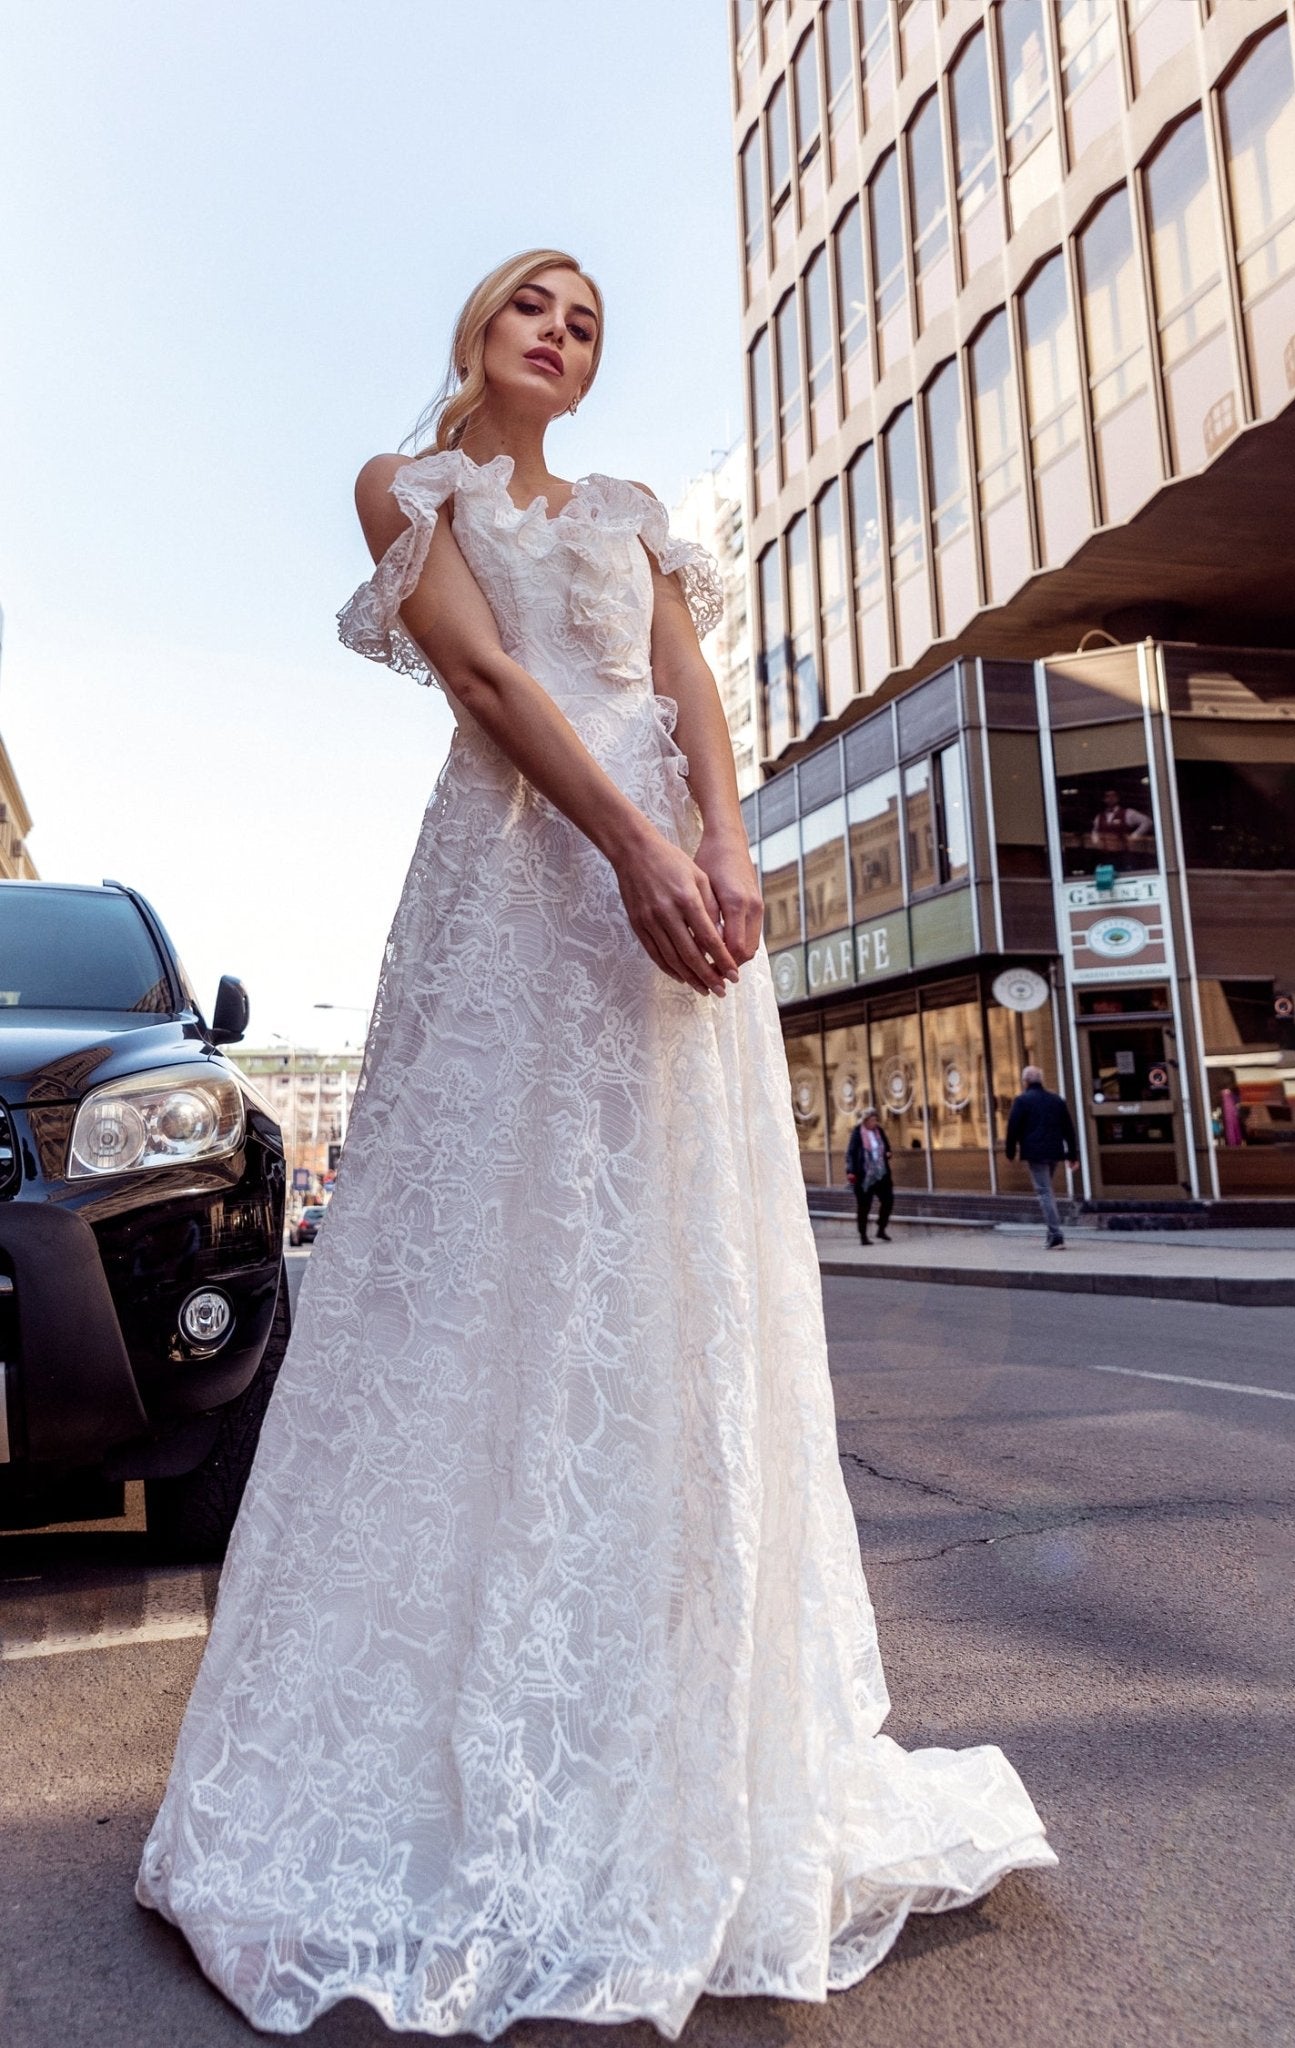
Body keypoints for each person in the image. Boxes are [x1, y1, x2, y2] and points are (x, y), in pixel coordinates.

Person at [137, 250, 1054, 2037]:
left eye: (588, 323)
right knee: (482, 1269)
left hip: (672, 907)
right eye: (532, 308)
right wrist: (626, 848)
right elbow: (486, 682)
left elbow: (692, 692)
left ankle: (674, 1728)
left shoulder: (636, 511)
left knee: (671, 1276)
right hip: (516, 886)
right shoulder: (410, 488)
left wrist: (725, 844)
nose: (562, 334)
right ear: (473, 330)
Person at [1004, 1064, 1079, 1248]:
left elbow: (1013, 1128)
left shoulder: (1022, 1101)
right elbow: (1068, 1129)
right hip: (1054, 1152)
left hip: (1035, 1153)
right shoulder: (1056, 1100)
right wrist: (1072, 1154)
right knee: (1047, 1191)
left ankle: (1055, 1235)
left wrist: (1010, 1151)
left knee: (1044, 1192)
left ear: (1025, 1082)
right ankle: (1051, 1233)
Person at [845, 1107, 893, 1244]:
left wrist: (888, 1153)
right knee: (864, 1206)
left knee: (888, 1201)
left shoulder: (879, 1131)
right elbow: (851, 1153)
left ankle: (881, 1229)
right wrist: (851, 1171)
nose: (874, 1122)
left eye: (875, 1119)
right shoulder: (857, 1133)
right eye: (872, 1120)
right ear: (865, 1121)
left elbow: (887, 1147)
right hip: (864, 1176)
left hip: (881, 1174)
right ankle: (863, 1236)